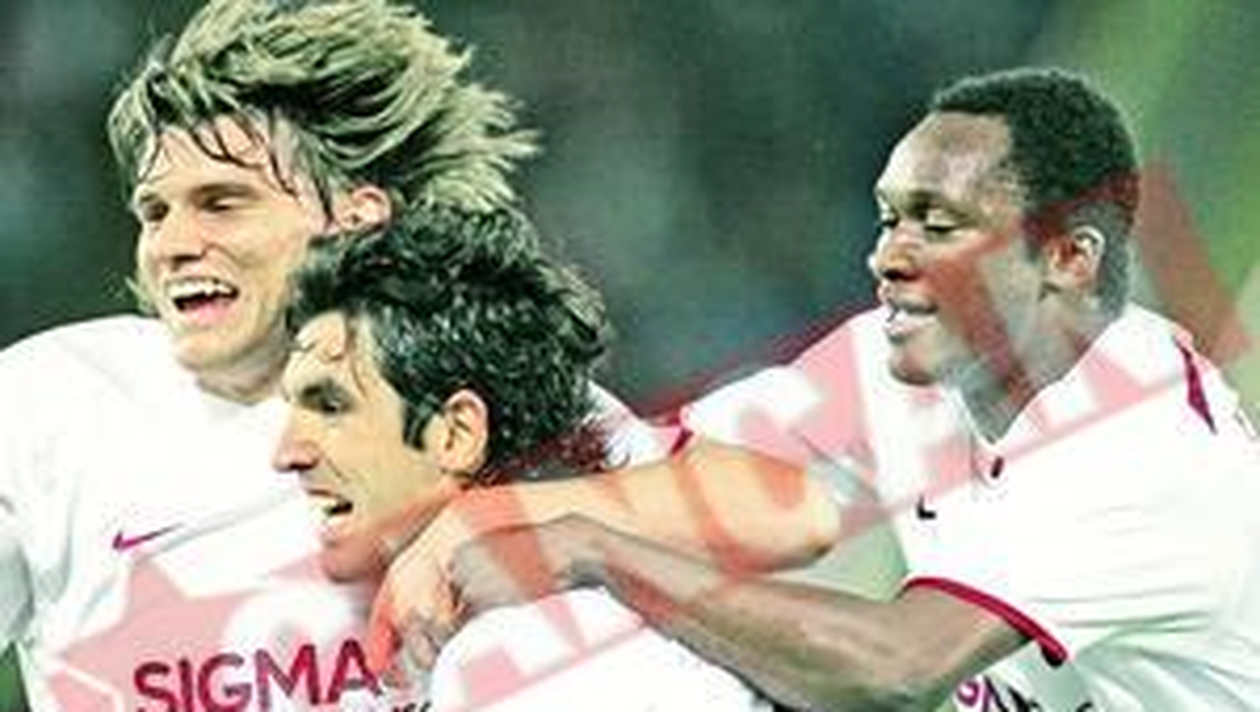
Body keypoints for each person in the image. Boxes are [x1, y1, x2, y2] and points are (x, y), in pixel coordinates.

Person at [0, 1, 834, 709]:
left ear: (354, 218)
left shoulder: (450, 380)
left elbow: (789, 511)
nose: (173, 244)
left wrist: (495, 519)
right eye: (154, 212)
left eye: (223, 203)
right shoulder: (52, 407)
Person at [375, 68, 1260, 710]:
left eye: (939, 225)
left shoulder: (1139, 451)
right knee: (583, 645)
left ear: (1067, 258)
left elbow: (895, 671)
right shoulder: (900, 364)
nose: (887, 257)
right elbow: (681, 478)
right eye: (889, 218)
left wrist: (593, 547)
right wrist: (482, 513)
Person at [274, 204, 770, 710]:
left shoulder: (531, 655)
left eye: (331, 407)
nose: (286, 453)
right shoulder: (562, 615)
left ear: (457, 433)